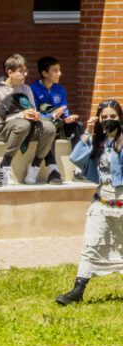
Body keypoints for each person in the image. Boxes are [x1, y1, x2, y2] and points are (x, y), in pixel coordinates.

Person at [56, 100, 123, 305]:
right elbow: (76, 158)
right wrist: (88, 132)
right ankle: (78, 289)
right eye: (105, 117)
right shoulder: (97, 142)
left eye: (113, 117)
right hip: (101, 202)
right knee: (90, 244)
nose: (109, 120)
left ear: (120, 118)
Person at [0, 54, 58, 185]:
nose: (25, 74)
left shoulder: (26, 89)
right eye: (21, 71)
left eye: (26, 71)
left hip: (27, 127)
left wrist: (34, 115)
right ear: (10, 72)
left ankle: (35, 166)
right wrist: (21, 115)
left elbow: (32, 109)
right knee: (22, 124)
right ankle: (4, 164)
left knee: (49, 128)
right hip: (3, 130)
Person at [31, 56, 83, 154]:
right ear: (44, 73)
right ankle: (50, 162)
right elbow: (35, 113)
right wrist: (53, 116)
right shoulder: (33, 89)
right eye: (55, 71)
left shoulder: (60, 89)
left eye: (59, 70)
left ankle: (78, 160)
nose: (59, 73)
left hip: (59, 123)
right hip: (42, 124)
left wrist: (67, 117)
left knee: (77, 126)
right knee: (49, 128)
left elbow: (64, 108)